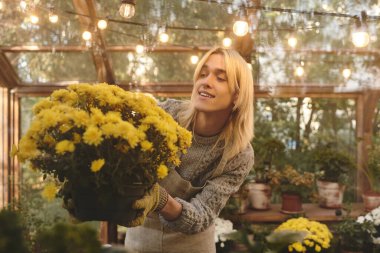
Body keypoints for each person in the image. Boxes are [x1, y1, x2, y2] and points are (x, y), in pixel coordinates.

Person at [124, 46, 254, 253]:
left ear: (237, 95)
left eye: (220, 78)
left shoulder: (238, 154)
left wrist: (161, 200)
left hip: (191, 245)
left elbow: (201, 215)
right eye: (203, 74)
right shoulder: (165, 115)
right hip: (141, 239)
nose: (206, 81)